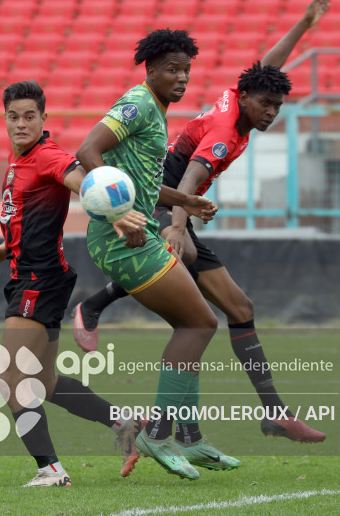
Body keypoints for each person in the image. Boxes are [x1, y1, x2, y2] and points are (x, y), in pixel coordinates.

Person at [73, 0, 334, 444]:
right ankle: (169, 427)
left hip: (174, 199)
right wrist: (178, 223)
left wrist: (305, 23)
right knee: (193, 292)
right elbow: (191, 174)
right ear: (247, 99)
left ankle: (267, 415)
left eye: (276, 106)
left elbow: (265, 71)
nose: (271, 112)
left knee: (238, 309)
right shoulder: (222, 133)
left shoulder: (240, 99)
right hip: (164, 198)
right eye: (266, 105)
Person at [76, 29, 239, 481]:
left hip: (137, 233)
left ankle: (190, 437)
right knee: (200, 323)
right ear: (150, 70)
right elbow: (87, 151)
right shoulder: (138, 103)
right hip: (122, 239)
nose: (181, 78)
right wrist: (119, 212)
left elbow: (143, 182)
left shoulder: (156, 110)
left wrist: (185, 201)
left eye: (186, 70)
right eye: (172, 69)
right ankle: (159, 435)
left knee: (193, 326)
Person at [0, 81, 148, 487]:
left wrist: (117, 214)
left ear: (44, 118)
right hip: (37, 273)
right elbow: (30, 211)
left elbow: (82, 182)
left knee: (10, 380)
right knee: (43, 382)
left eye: (29, 116)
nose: (21, 124)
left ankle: (50, 470)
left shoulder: (47, 155)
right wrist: (8, 245)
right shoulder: (20, 156)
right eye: (13, 116)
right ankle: (123, 423)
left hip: (38, 280)